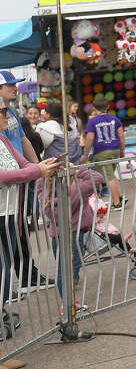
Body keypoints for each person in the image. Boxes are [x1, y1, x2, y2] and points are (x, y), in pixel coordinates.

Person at [0, 105, 58, 333]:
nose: (7, 116)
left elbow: (24, 164)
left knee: (5, 271)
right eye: (2, 112)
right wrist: (36, 171)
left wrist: (43, 167)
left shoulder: (4, 139)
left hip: (10, 213)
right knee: (1, 270)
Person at [38, 160, 104, 314]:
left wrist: (43, 173)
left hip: (57, 236)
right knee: (71, 269)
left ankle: (67, 302)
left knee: (62, 269)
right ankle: (69, 305)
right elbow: (97, 177)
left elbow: (39, 185)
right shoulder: (76, 191)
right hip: (74, 234)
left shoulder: (45, 197)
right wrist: (78, 169)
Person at [83, 96, 125, 209]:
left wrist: (85, 154)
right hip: (115, 149)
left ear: (94, 108)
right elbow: (121, 135)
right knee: (111, 174)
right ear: (108, 106)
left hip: (101, 151)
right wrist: (122, 150)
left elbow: (90, 138)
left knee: (108, 177)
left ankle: (116, 203)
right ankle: (120, 196)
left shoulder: (92, 121)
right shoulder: (115, 119)